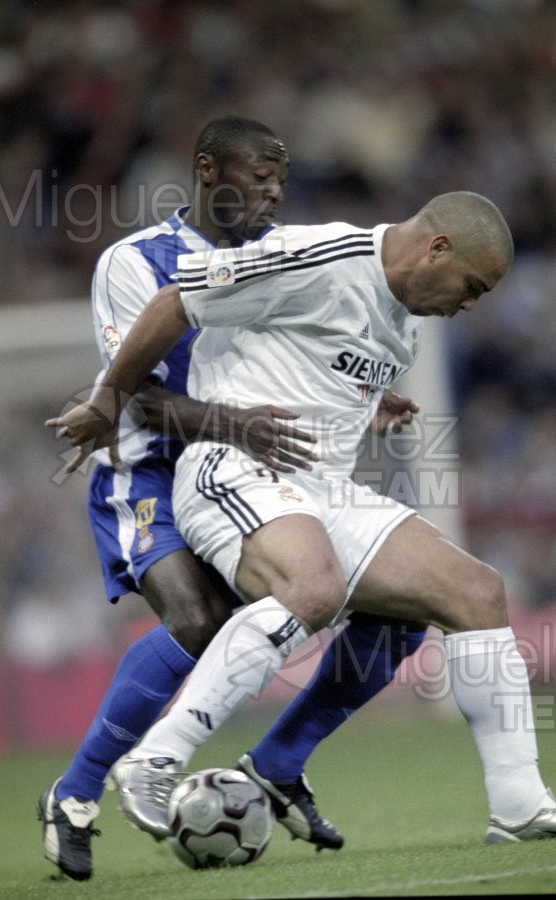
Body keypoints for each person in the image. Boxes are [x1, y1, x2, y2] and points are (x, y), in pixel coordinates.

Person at [52, 189, 556, 847]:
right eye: (472, 287)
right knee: (307, 588)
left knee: (476, 591)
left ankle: (519, 806)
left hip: (315, 488)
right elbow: (177, 299)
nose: (468, 305)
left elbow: (310, 369)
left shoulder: (405, 316)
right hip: (231, 466)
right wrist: (108, 400)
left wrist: (365, 408)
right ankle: (155, 760)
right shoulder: (319, 253)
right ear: (437, 247)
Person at [40, 115, 425, 881]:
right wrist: (237, 422)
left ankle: (281, 761)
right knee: (197, 619)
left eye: (282, 179)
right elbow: (134, 398)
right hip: (152, 469)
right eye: (261, 176)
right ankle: (75, 794)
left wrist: (361, 400)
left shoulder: (283, 257)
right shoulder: (136, 261)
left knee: (400, 611)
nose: (275, 191)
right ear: (209, 169)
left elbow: (313, 366)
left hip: (261, 472)